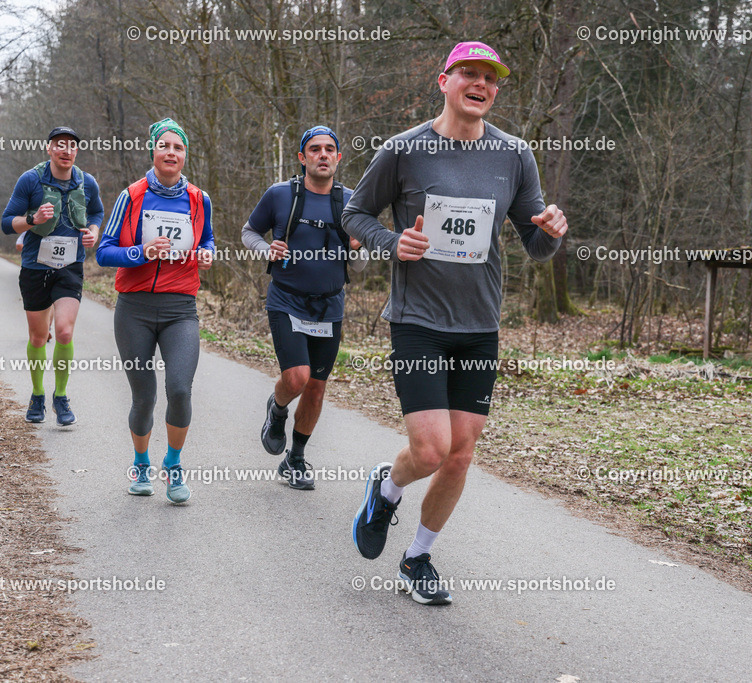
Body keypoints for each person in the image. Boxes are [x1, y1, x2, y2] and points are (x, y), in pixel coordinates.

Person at [344, 41, 568, 605]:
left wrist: (551, 232)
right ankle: (385, 489)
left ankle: (418, 556)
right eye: (468, 73)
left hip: (479, 324)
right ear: (443, 80)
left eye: (490, 78)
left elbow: (534, 243)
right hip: (417, 320)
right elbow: (353, 213)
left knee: (462, 453)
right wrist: (395, 244)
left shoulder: (514, 154)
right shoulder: (403, 151)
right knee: (431, 450)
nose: (480, 84)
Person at [96, 118, 214, 503]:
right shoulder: (132, 196)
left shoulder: (199, 199)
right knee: (144, 397)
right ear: (153, 150)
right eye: (164, 145)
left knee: (179, 390)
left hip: (181, 308)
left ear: (185, 155)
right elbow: (103, 251)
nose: (171, 153)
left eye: (178, 148)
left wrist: (207, 252)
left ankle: (174, 465)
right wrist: (140, 252)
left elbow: (207, 237)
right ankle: (142, 463)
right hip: (135, 309)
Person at [243, 125, 368, 490]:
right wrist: (266, 250)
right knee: (296, 377)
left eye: (330, 149)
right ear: (302, 158)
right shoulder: (280, 195)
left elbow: (359, 266)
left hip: (329, 306)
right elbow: (248, 232)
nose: (323, 155)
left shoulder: (351, 202)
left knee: (315, 387)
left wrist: (359, 248)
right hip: (286, 300)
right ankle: (277, 408)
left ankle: (295, 459)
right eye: (315, 149)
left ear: (339, 157)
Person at [1, 126, 104, 425]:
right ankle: (37, 394)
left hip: (70, 267)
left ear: (76, 152)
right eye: (60, 145)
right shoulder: (30, 180)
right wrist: (33, 220)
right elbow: (8, 223)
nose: (66, 150)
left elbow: (96, 213)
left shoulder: (87, 182)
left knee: (64, 332)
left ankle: (61, 396)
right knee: (37, 336)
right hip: (35, 267)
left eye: (72, 146)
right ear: (49, 149)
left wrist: (94, 232)